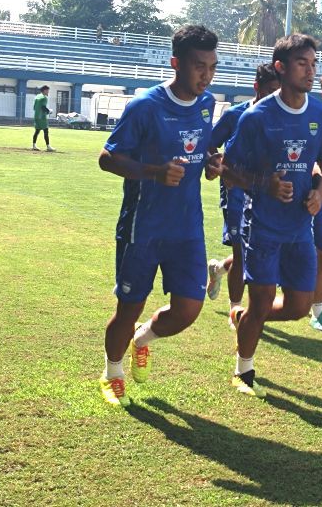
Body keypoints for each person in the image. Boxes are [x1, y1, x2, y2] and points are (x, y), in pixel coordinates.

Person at [97, 25, 221, 407]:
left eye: (212, 67)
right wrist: (153, 171)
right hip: (143, 228)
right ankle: (112, 371)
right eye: (199, 66)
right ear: (176, 63)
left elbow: (197, 153)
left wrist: (211, 163)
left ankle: (143, 339)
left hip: (187, 227)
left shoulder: (206, 103)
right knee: (127, 307)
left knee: (188, 310)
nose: (206, 75)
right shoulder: (145, 106)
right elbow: (107, 158)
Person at [222, 34, 322, 398]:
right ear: (281, 68)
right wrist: (264, 185)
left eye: (314, 63)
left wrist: (320, 190)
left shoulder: (318, 112)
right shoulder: (257, 117)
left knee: (301, 306)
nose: (311, 71)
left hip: (301, 227)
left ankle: (245, 319)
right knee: (262, 301)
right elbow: (228, 169)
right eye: (303, 63)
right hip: (263, 227)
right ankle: (244, 369)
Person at [233, 67, 322, 335]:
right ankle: (316, 312)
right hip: (301, 202)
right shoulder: (282, 116)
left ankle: (246, 301)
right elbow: (311, 159)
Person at [206, 64, 281, 313]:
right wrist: (216, 163)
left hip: (268, 191)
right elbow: (209, 146)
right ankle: (236, 310)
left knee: (258, 250)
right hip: (236, 189)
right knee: (240, 251)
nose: (275, 97)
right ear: (256, 87)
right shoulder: (234, 116)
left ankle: (218, 270)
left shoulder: (282, 118)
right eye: (270, 91)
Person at [32, 85, 55, 152]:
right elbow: (43, 107)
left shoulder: (37, 96)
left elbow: (34, 107)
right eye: (48, 90)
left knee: (37, 131)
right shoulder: (44, 98)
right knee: (46, 131)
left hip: (36, 116)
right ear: (45, 90)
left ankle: (34, 145)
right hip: (42, 117)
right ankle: (48, 146)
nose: (48, 92)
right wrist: (49, 111)